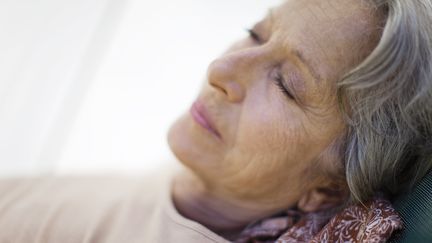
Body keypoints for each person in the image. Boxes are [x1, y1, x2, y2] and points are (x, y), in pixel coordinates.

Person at [0, 0, 431, 242]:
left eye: (285, 84)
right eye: (255, 33)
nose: (221, 69)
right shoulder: (196, 185)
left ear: (327, 190)